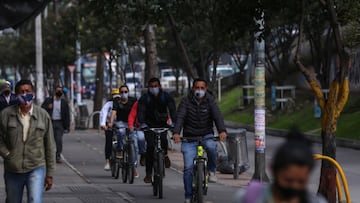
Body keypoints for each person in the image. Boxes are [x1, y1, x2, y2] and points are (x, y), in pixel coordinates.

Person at [233, 128, 327, 203]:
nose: (294, 186)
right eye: (288, 180)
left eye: (301, 182)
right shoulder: (248, 198)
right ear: (273, 170)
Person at [0, 79, 56, 203]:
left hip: (36, 167)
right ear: (16, 95)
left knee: (35, 200)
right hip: (13, 169)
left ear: (33, 93)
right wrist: (7, 154)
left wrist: (50, 174)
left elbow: (50, 145)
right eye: (21, 92)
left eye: (28, 91)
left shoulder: (43, 115)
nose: (25, 95)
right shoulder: (5, 115)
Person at [172, 78, 227, 203]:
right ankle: (188, 196)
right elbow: (180, 117)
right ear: (193, 89)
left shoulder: (210, 101)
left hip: (206, 135)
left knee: (212, 147)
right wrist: (176, 132)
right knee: (188, 168)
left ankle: (212, 170)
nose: (199, 90)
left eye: (202, 88)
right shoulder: (186, 102)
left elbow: (217, 116)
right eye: (197, 88)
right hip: (189, 138)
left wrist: (222, 131)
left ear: (206, 89)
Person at [137, 77, 177, 184]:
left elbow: (172, 110)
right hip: (149, 126)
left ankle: (165, 155)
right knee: (150, 147)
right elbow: (140, 112)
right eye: (151, 87)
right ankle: (149, 174)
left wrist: (174, 123)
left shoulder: (166, 97)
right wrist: (143, 123)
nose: (154, 88)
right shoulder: (145, 98)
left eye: (155, 86)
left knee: (164, 141)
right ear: (148, 88)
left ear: (159, 86)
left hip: (162, 124)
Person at [108, 85, 138, 176]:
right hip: (121, 123)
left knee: (135, 144)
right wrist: (110, 122)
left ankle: (134, 166)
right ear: (119, 93)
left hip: (131, 124)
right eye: (122, 92)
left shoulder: (133, 100)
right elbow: (114, 112)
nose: (124, 94)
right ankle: (120, 150)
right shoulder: (116, 101)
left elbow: (138, 110)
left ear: (128, 92)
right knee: (120, 132)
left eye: (125, 92)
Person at [42, 86, 71, 163]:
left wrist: (67, 126)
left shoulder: (64, 102)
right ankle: (48, 156)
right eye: (57, 91)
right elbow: (42, 109)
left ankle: (58, 156)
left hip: (60, 123)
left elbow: (67, 115)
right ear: (55, 92)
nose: (59, 92)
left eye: (60, 91)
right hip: (50, 122)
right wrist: (48, 107)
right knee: (49, 140)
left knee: (58, 140)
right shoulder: (49, 100)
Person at [99, 88, 121, 171]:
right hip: (110, 125)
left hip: (121, 125)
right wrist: (103, 124)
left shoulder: (123, 104)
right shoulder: (108, 104)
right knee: (108, 141)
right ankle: (107, 162)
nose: (117, 99)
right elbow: (103, 113)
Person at [128, 100, 146, 167]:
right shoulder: (138, 103)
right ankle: (134, 163)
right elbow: (132, 115)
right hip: (140, 127)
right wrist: (130, 125)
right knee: (140, 138)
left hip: (151, 127)